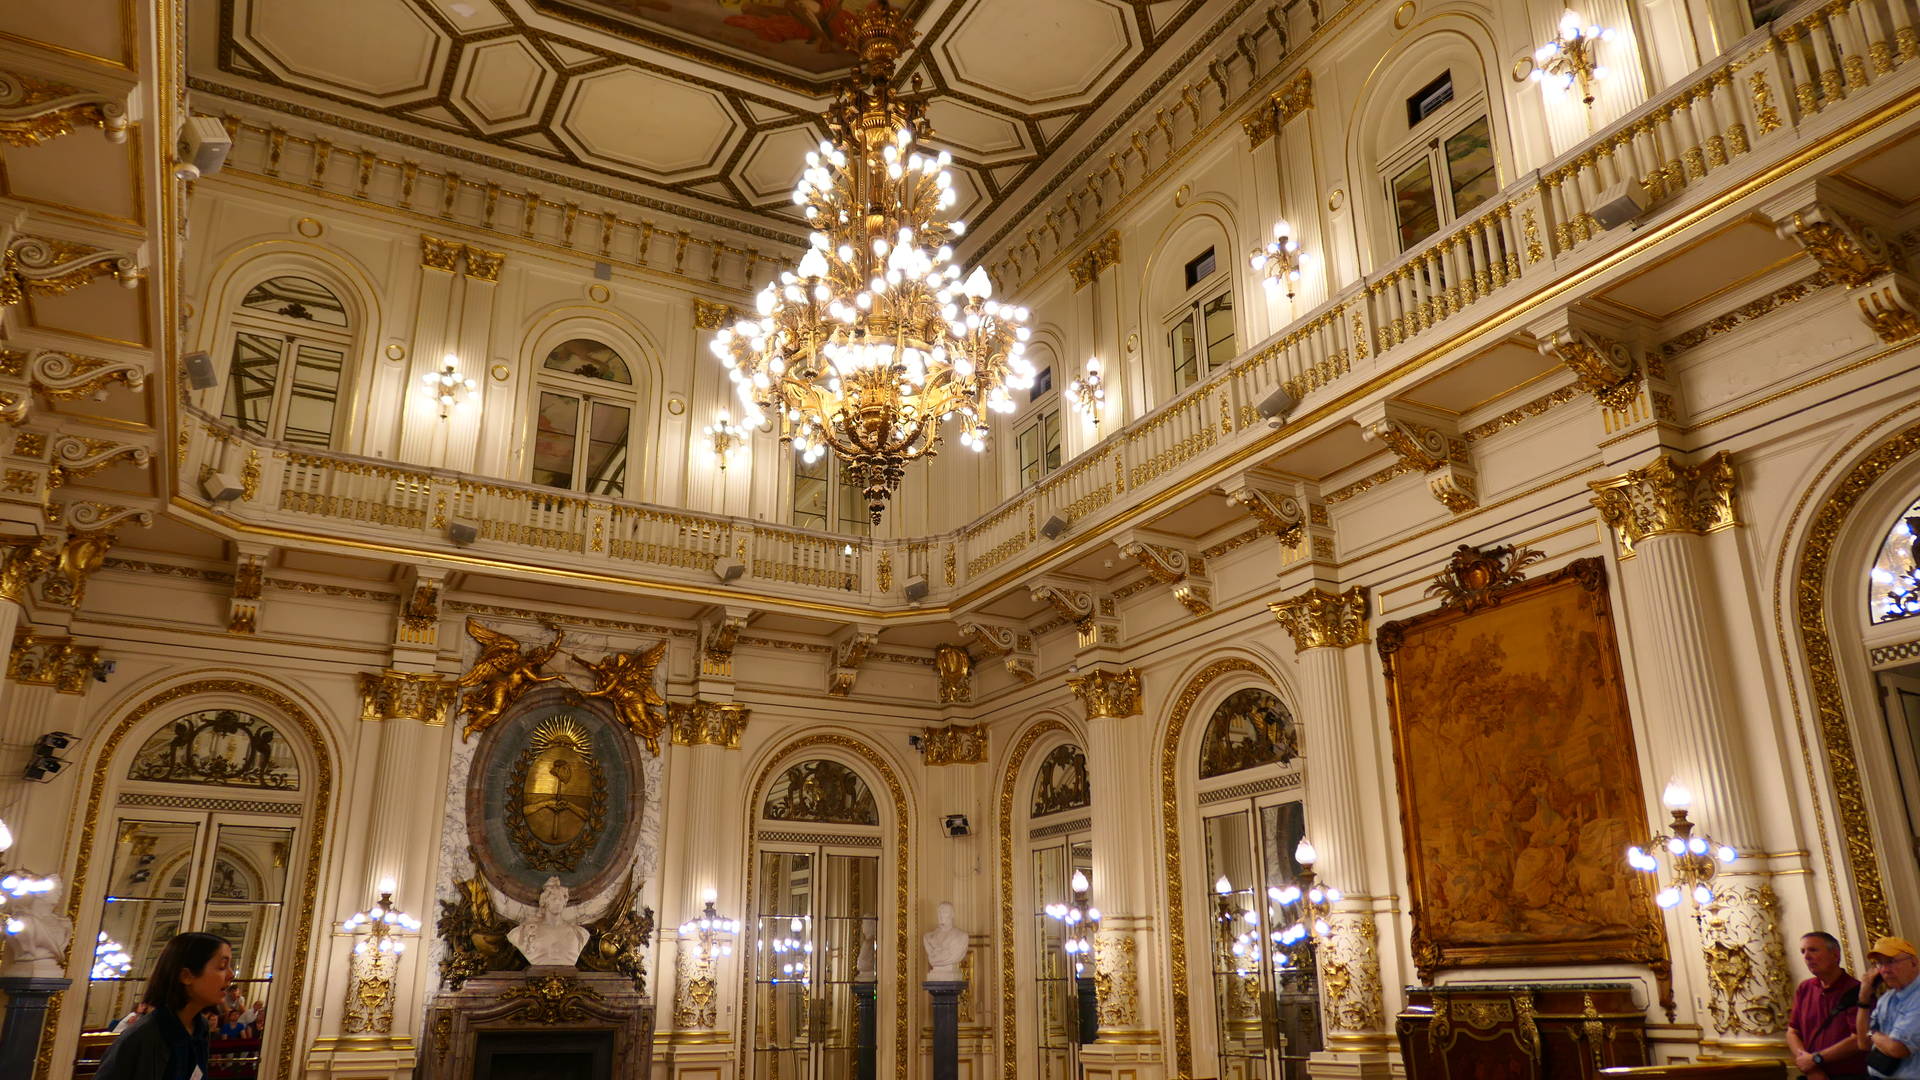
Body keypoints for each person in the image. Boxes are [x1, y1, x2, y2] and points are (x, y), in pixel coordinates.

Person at [95, 931, 232, 1080]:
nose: (231, 975)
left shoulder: (200, 1027)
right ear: (186, 976)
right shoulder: (143, 1036)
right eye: (222, 966)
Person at [1791, 931, 1866, 1078]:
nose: (1806, 956)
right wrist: (1809, 1066)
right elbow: (1792, 1031)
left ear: (1835, 955)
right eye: (1803, 951)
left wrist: (1815, 1059)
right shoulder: (1805, 988)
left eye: (1813, 950)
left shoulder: (1858, 991)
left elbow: (1859, 1038)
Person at [1857, 936, 1920, 1078]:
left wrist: (1872, 1033)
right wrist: (1863, 999)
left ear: (1914, 963)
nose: (1884, 969)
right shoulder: (1886, 999)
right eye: (1879, 963)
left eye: (1891, 962)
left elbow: (1897, 1048)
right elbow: (1863, 1043)